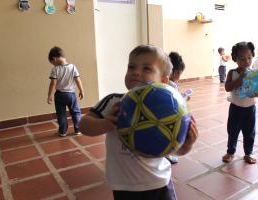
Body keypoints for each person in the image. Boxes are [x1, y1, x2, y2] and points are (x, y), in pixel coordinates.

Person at [79, 45, 198, 200]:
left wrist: (187, 144)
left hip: (159, 183)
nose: (135, 72)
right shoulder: (114, 101)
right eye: (131, 67)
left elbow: (176, 151)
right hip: (124, 187)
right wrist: (105, 124)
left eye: (146, 68)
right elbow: (83, 124)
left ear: (163, 81)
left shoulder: (170, 109)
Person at [222, 42, 258, 164]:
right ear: (235, 59)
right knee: (233, 131)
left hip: (250, 108)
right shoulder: (232, 73)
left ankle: (248, 153)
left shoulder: (255, 73)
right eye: (242, 58)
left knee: (249, 132)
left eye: (249, 57)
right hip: (236, 108)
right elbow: (227, 87)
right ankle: (230, 152)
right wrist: (240, 79)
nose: (246, 61)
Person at [47, 46, 84, 137]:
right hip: (71, 94)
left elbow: (53, 84)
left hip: (59, 95)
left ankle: (63, 131)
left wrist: (49, 96)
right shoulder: (72, 67)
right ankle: (78, 129)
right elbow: (78, 80)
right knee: (75, 112)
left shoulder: (55, 69)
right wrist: (81, 90)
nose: (53, 65)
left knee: (61, 114)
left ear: (54, 59)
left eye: (52, 63)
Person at [166, 51, 189, 164]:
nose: (180, 76)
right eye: (180, 72)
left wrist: (183, 96)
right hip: (171, 117)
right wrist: (184, 99)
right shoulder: (172, 85)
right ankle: (167, 155)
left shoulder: (163, 81)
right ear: (174, 72)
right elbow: (176, 103)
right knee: (170, 137)